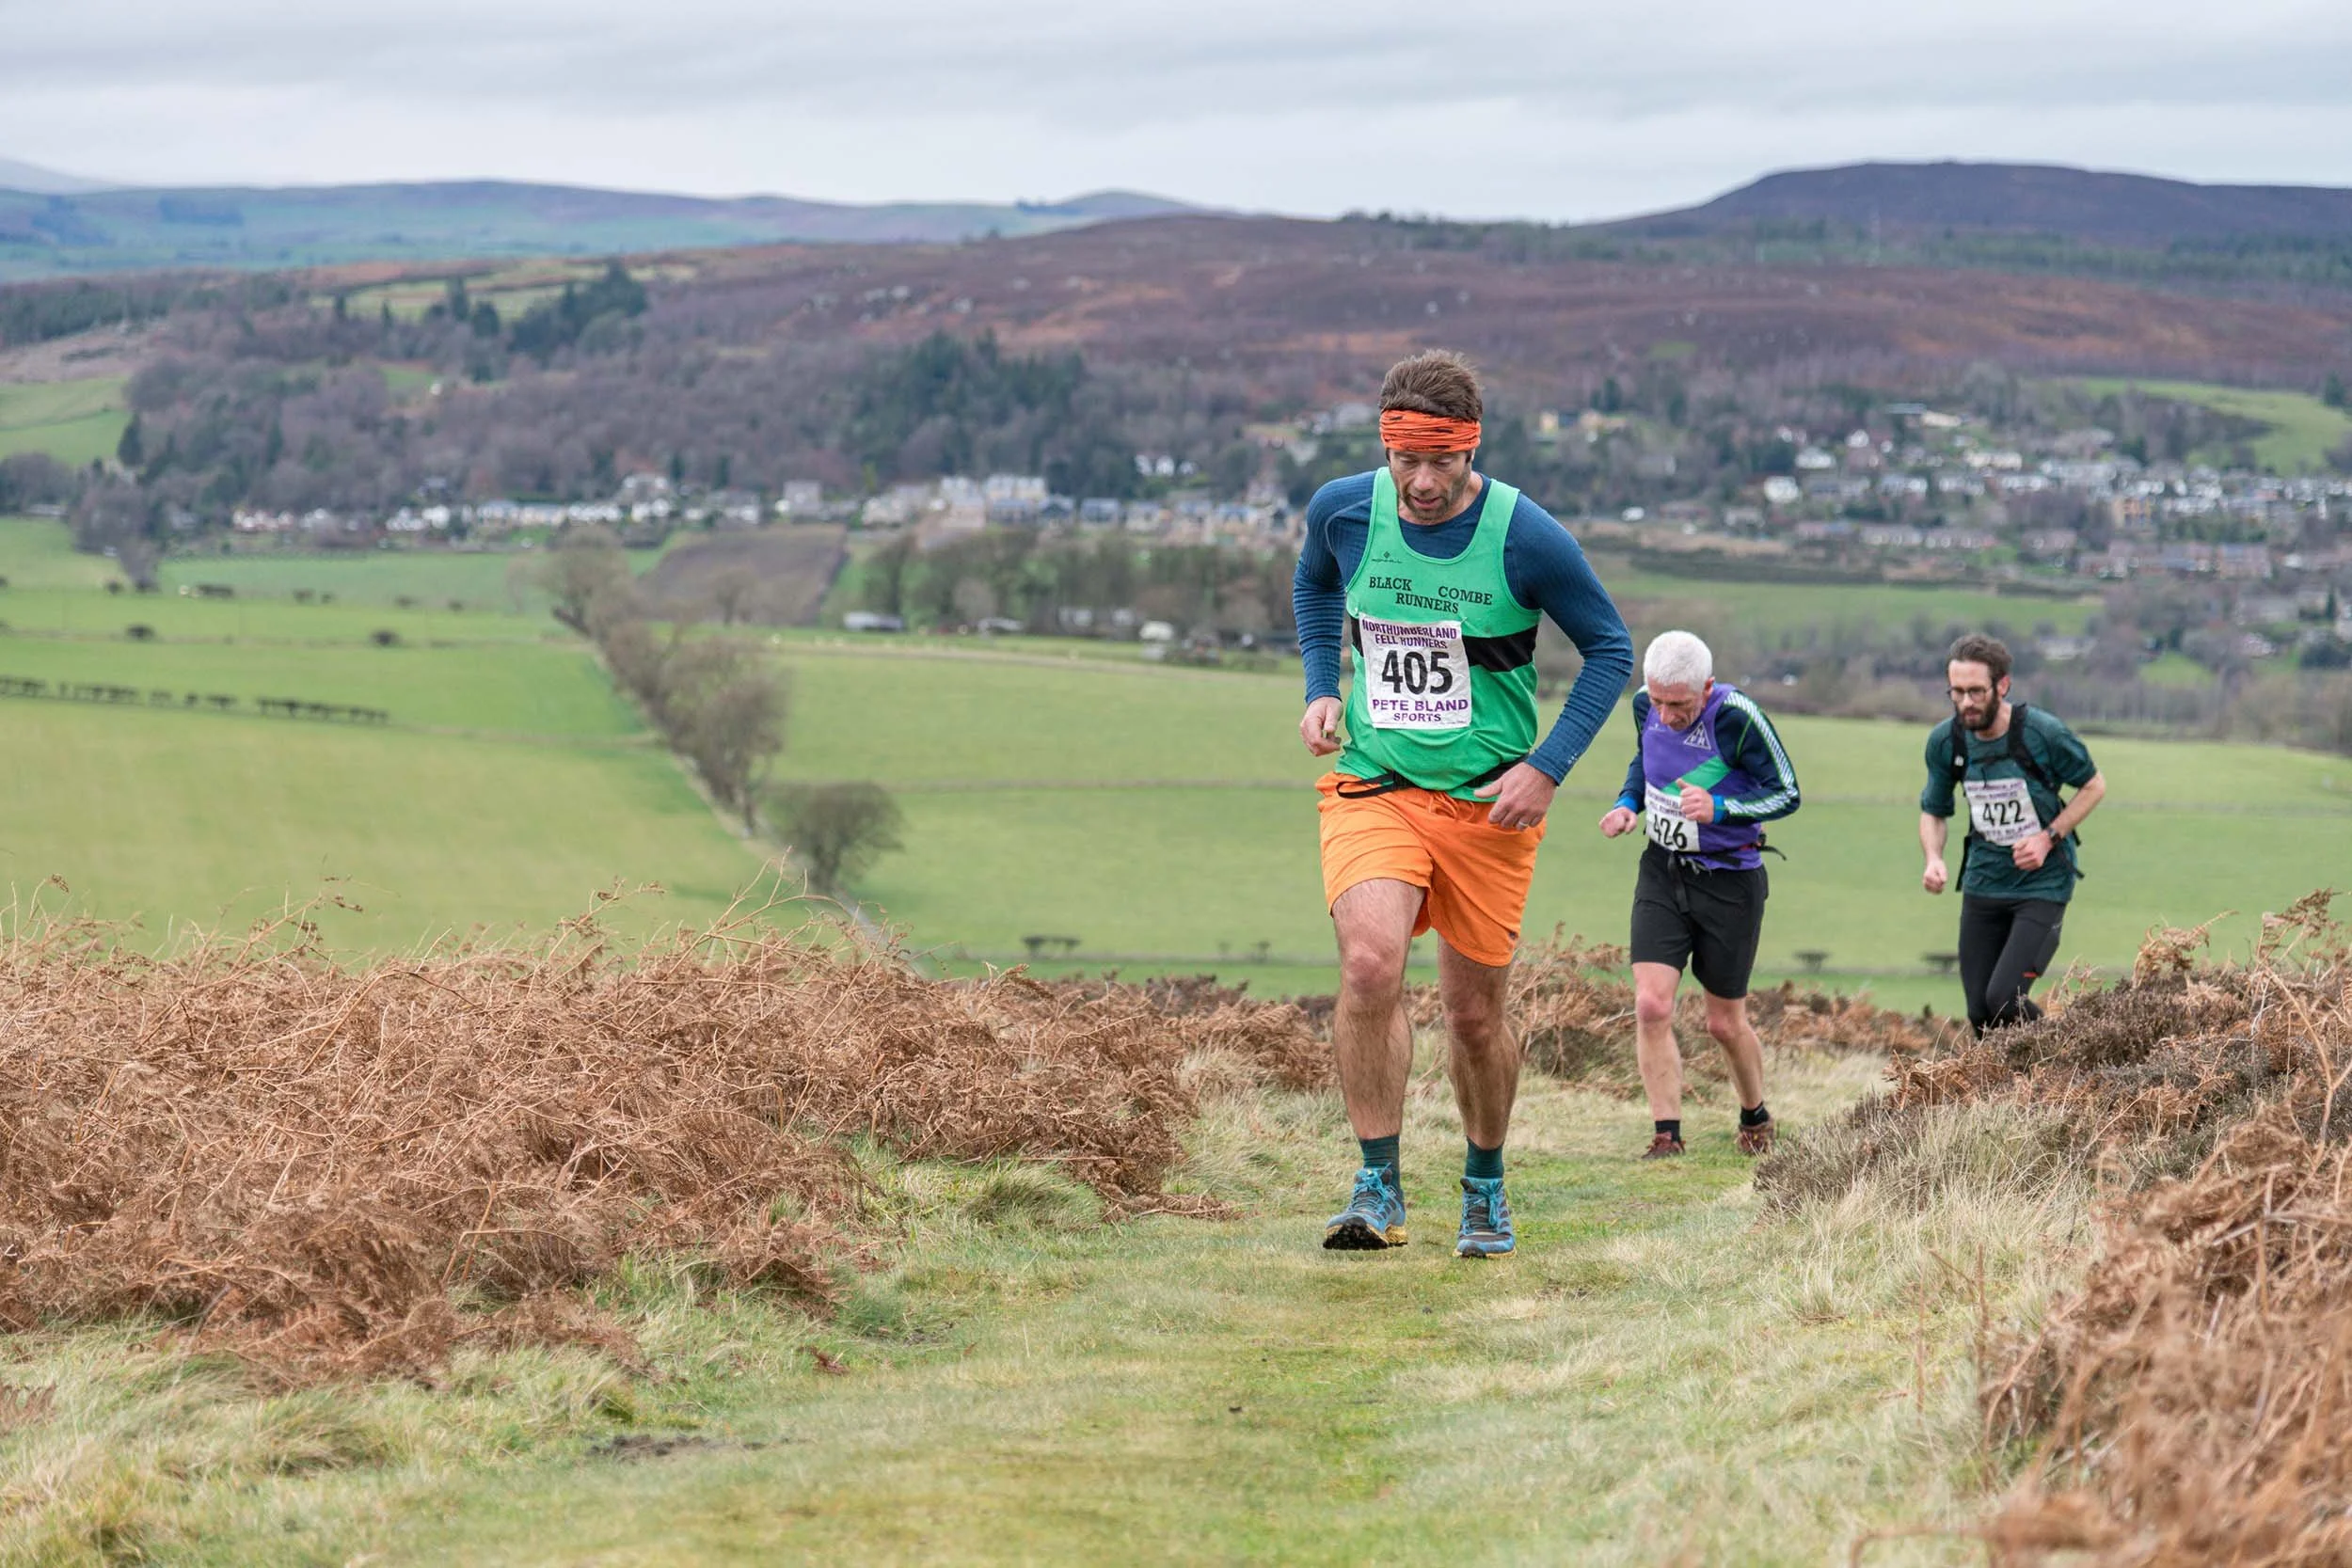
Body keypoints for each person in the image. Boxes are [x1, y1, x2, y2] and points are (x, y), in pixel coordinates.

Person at [1293, 349, 1632, 1259]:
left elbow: (1610, 650)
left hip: (1489, 807)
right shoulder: (1343, 510)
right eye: (1408, 459)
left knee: (1476, 1017)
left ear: (1472, 448)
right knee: (1369, 967)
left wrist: (1548, 766)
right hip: (1374, 783)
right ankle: (1377, 1185)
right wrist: (1323, 682)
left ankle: (1484, 1183)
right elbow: (1316, 584)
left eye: (1443, 461)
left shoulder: (1525, 535)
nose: (1425, 480)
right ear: (1386, 447)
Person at [1598, 631, 1801, 1159]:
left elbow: (1787, 792)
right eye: (1658, 700)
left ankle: (1755, 1113)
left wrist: (1722, 810)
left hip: (1730, 879)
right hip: (1662, 871)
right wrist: (1627, 804)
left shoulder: (1738, 717)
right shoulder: (1646, 705)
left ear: (1706, 688)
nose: (1664, 714)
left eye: (1679, 704)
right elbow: (1645, 760)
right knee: (1649, 1003)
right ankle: (1667, 1134)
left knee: (1722, 1022)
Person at [1918, 633, 2106, 1033]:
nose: (1966, 703)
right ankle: (2005, 1094)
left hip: (2043, 886)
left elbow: (2094, 786)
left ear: (2002, 685)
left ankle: (2071, 1055)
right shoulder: (1945, 742)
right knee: (1980, 1015)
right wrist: (1933, 859)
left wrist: (2047, 838)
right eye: (1957, 692)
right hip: (1984, 881)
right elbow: (1933, 811)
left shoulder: (2043, 734)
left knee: (2004, 999)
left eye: (1976, 691)